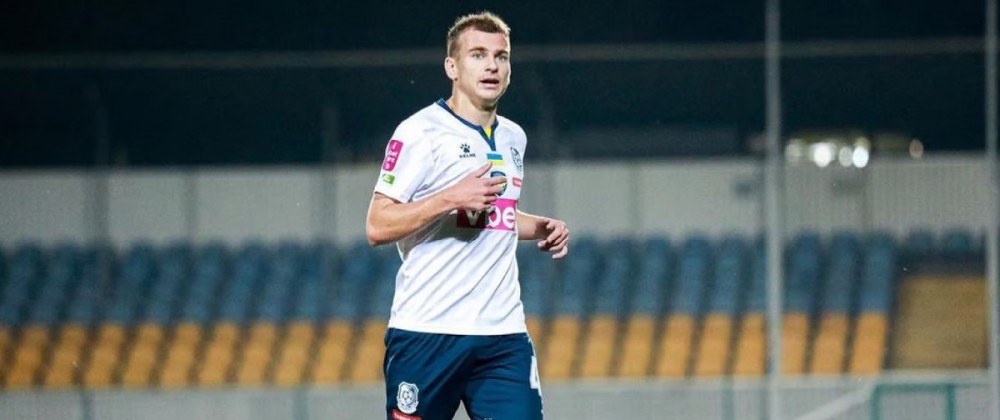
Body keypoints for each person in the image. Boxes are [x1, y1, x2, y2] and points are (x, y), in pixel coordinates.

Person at [365, 11, 570, 420]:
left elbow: (493, 216)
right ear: (452, 67)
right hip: (428, 331)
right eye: (478, 55)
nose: (492, 65)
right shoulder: (420, 132)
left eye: (501, 56)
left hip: (502, 335)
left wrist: (539, 227)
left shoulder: (513, 137)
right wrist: (449, 198)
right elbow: (377, 224)